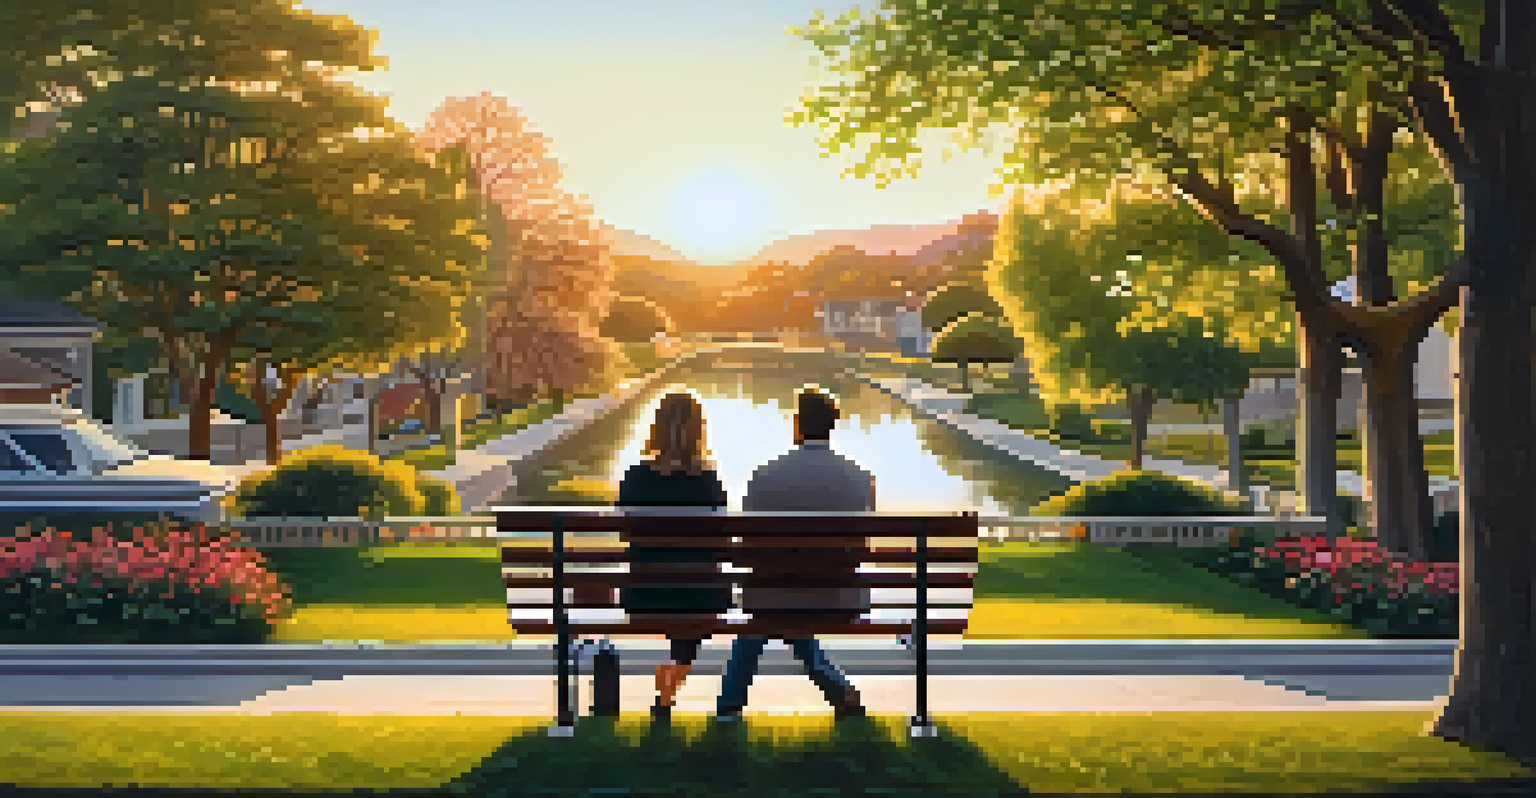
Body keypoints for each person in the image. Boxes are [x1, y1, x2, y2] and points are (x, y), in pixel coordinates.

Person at [716, 386, 872, 720]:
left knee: (768, 612)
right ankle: (839, 692)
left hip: (774, 595)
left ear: (797, 424)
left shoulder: (764, 475)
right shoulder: (860, 478)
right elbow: (860, 549)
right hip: (839, 599)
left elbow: (748, 546)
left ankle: (729, 707)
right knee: (788, 608)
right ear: (832, 425)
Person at [615, 390, 730, 719]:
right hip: (700, 595)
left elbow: (626, 534)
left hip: (644, 593)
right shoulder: (707, 480)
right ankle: (668, 686)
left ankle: (666, 693)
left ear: (655, 428)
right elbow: (721, 542)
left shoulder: (635, 477)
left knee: (685, 593)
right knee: (695, 602)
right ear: (699, 431)